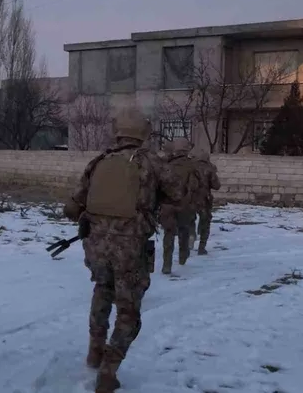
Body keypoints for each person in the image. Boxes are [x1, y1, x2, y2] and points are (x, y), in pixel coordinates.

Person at [63, 107, 175, 393]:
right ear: (143, 132)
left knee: (102, 289)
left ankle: (95, 351)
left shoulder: (99, 161)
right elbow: (177, 193)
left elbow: (72, 207)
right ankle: (108, 371)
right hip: (130, 249)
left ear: (118, 131)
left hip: (96, 247)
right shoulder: (152, 162)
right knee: (128, 310)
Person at [158, 137, 200, 275]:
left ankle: (167, 264)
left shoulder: (166, 164)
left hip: (167, 205)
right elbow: (197, 185)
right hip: (185, 204)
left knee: (168, 234)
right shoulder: (192, 165)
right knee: (184, 230)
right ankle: (183, 255)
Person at [189, 145, 221, 255]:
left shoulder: (190, 167)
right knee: (205, 222)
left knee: (189, 219)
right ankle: (202, 247)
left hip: (190, 198)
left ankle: (191, 235)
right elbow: (216, 186)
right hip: (204, 199)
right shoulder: (209, 168)